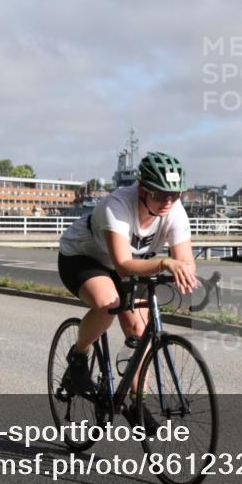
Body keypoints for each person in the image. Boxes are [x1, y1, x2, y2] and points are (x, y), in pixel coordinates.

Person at [57, 152, 198, 429]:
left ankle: (135, 399)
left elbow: (185, 260)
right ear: (143, 188)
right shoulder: (118, 205)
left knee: (139, 329)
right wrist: (165, 263)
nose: (168, 201)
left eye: (175, 194)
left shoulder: (174, 211)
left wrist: (186, 274)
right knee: (108, 301)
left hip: (136, 264)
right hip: (84, 258)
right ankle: (78, 357)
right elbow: (122, 265)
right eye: (160, 194)